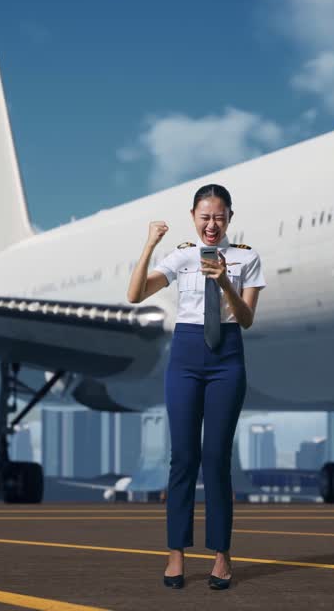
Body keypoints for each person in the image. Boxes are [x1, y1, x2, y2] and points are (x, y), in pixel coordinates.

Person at [126, 183, 266, 591]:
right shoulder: (181, 256)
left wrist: (225, 282)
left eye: (219, 217)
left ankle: (222, 557)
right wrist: (150, 244)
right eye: (204, 217)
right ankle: (176, 555)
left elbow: (246, 319)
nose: (211, 224)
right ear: (193, 217)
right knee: (183, 458)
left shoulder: (248, 258)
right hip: (185, 357)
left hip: (227, 357)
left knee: (217, 459)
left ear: (229, 219)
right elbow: (134, 295)